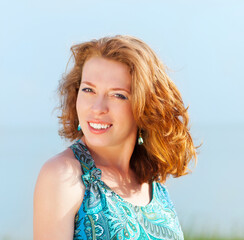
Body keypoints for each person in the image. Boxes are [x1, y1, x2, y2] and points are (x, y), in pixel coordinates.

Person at [33, 35, 197, 240]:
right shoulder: (63, 176)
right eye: (88, 90)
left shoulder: (153, 183)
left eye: (118, 95)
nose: (98, 108)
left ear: (145, 106)